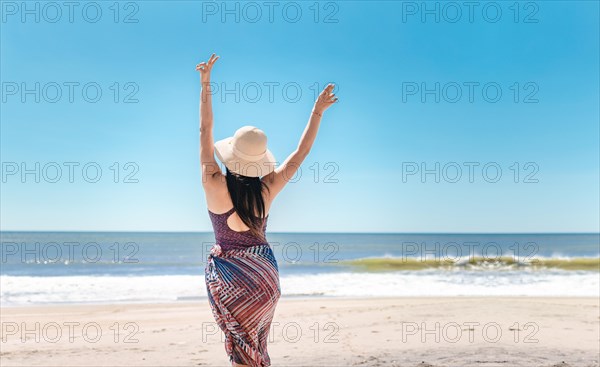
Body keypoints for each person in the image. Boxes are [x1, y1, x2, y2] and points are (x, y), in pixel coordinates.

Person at [196, 53, 338, 367]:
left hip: (231, 277)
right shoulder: (267, 189)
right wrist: (317, 112)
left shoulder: (212, 182)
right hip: (264, 277)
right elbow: (300, 153)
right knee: (257, 349)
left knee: (242, 350)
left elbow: (205, 131)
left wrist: (206, 83)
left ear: (230, 155)